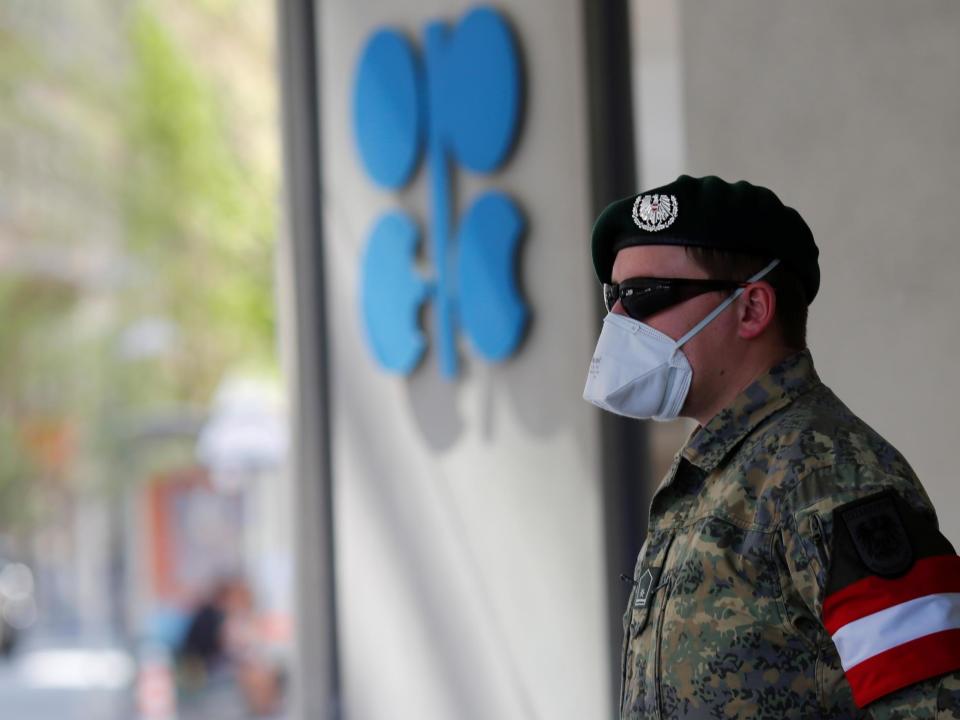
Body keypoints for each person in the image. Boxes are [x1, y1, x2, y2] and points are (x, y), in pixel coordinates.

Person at [583, 175, 960, 719]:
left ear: (752, 309)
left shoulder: (825, 474)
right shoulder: (714, 471)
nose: (617, 321)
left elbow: (936, 707)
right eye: (612, 297)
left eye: (643, 297)